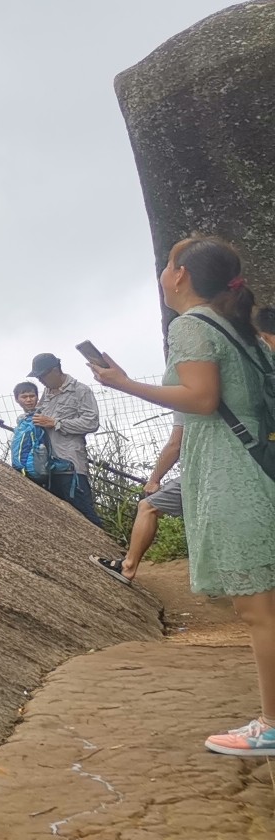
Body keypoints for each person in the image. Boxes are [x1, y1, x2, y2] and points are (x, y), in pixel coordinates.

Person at [86, 235, 275, 756]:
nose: (164, 272)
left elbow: (202, 398)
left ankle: (272, 724)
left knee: (261, 608)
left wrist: (123, 383)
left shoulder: (191, 325)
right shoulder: (241, 330)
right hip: (262, 467)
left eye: (170, 264)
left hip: (236, 476)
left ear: (183, 275)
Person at [91, 426, 182, 585]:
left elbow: (175, 444)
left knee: (147, 506)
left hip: (205, 472)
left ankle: (128, 566)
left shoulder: (186, 402)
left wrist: (154, 479)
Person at [27, 351, 102, 525]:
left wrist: (56, 423)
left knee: (84, 512)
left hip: (71, 464)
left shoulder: (80, 390)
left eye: (42, 375)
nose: (40, 380)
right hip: (47, 464)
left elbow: (92, 423)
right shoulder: (47, 392)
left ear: (55, 370)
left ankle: (114, 551)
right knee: (58, 517)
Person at [8, 382, 50, 487]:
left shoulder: (41, 417)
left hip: (36, 469)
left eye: (32, 396)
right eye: (24, 397)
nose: (29, 400)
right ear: (17, 399)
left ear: (37, 397)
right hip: (22, 468)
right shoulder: (23, 420)